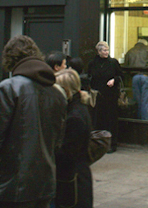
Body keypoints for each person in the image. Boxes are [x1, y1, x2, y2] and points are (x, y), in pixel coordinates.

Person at [0, 35, 66, 208]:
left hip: (11, 186)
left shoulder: (8, 88)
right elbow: (57, 142)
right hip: (43, 184)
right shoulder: (57, 93)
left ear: (10, 60)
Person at [54, 69, 93, 208]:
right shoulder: (77, 108)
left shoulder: (74, 116)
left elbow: (67, 153)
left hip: (72, 179)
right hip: (76, 175)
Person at [87, 41, 123, 153]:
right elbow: (89, 77)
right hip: (98, 95)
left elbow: (121, 75)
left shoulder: (113, 63)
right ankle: (99, 143)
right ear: (98, 52)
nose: (106, 52)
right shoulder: (93, 63)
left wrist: (114, 80)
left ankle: (112, 144)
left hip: (111, 95)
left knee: (111, 120)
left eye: (107, 50)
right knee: (99, 120)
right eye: (104, 50)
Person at [123, 40, 148, 121]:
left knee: (137, 103)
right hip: (146, 76)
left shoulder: (130, 51)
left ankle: (138, 124)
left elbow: (126, 66)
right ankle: (145, 125)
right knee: (145, 103)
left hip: (135, 77)